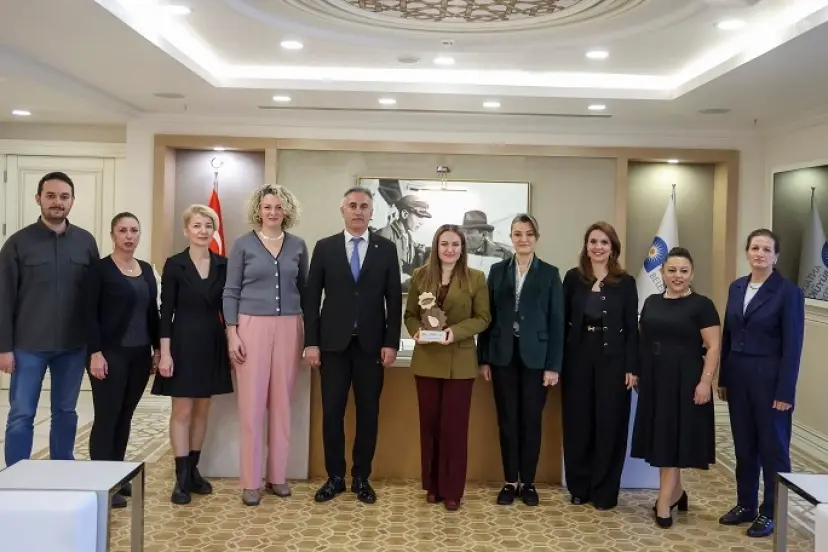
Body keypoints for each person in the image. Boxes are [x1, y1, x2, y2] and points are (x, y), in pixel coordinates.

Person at [303, 186, 402, 504]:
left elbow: (394, 300)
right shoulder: (325, 247)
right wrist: (311, 343)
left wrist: (391, 342)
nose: (358, 211)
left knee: (368, 413)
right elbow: (311, 299)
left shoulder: (386, 249)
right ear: (342, 210)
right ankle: (334, 477)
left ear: (372, 212)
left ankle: (361, 478)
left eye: (364, 206)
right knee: (332, 413)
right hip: (332, 346)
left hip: (371, 347)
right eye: (353, 205)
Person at [0, 171, 100, 467]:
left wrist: (96, 344)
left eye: (64, 197)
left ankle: (61, 471)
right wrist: (4, 348)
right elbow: (3, 297)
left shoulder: (85, 242)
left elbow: (96, 296)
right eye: (51, 196)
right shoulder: (18, 243)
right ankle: (17, 476)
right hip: (27, 346)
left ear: (72, 201)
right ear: (38, 199)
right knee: (21, 414)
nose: (58, 202)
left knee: (66, 412)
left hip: (73, 346)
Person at [223, 184, 309, 507]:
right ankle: (250, 481)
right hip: (251, 327)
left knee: (283, 403)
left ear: (287, 211)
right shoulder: (243, 244)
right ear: (258, 210)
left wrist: (309, 336)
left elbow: (305, 290)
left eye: (278, 207)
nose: (273, 212)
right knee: (252, 405)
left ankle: (278, 476)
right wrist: (232, 333)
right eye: (267, 207)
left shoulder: (298, 245)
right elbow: (231, 290)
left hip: (289, 326)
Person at [717, 229, 805, 538]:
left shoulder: (788, 292)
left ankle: (771, 511)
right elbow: (729, 336)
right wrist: (724, 378)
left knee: (773, 449)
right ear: (747, 252)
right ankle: (746, 504)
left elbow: (793, 346)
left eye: (767, 249)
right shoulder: (737, 287)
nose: (760, 254)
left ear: (776, 256)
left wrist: (785, 391)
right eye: (755, 248)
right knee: (744, 446)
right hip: (739, 379)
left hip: (770, 383)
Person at [477, 214, 563, 507]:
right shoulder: (497, 271)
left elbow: (557, 322)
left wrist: (553, 365)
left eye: (528, 234)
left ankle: (528, 482)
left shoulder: (549, 273)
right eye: (517, 234)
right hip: (502, 357)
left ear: (536, 237)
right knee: (507, 421)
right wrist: (484, 358)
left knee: (531, 422)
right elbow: (487, 317)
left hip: (537, 359)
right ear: (511, 237)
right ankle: (509, 481)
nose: (523, 239)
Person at [631, 247, 721, 528]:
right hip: (655, 380)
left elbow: (714, 346)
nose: (677, 276)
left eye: (684, 271)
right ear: (662, 272)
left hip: (685, 380)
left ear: (692, 274)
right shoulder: (651, 301)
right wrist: (638, 372)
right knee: (663, 440)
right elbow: (642, 339)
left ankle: (663, 503)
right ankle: (677, 493)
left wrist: (705, 382)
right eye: (671, 270)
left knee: (672, 440)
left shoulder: (702, 305)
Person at [404, 224, 491, 511]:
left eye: (455, 244)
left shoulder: (476, 278)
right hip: (426, 360)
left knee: (454, 428)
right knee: (429, 425)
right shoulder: (420, 275)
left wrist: (455, 332)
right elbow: (410, 314)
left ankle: (452, 490)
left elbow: (483, 318)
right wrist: (416, 331)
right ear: (436, 246)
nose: (450, 249)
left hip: (460, 363)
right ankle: (432, 486)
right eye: (444, 244)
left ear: (463, 248)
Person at [152, 204, 233, 505]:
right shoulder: (175, 264)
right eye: (197, 225)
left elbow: (229, 308)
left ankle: (194, 471)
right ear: (186, 230)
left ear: (214, 231)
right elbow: (165, 312)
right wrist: (165, 353)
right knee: (182, 412)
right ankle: (181, 477)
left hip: (212, 342)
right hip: (182, 342)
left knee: (202, 410)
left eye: (208, 226)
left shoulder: (223, 264)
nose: (203, 231)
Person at [561, 221, 638, 510]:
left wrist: (632, 367)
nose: (598, 247)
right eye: (593, 241)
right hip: (577, 359)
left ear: (613, 247)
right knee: (578, 423)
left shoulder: (625, 282)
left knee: (610, 424)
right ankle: (579, 487)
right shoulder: (573, 278)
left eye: (604, 242)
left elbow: (632, 328)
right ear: (586, 246)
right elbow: (561, 321)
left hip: (614, 361)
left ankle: (605, 491)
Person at [85, 212, 160, 508]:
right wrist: (95, 352)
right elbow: (88, 314)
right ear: (112, 235)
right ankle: (101, 482)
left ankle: (116, 475)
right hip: (109, 354)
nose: (129, 236)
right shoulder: (99, 269)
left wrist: (157, 349)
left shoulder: (145, 269)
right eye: (122, 230)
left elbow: (152, 313)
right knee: (107, 417)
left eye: (134, 230)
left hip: (139, 355)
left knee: (125, 415)